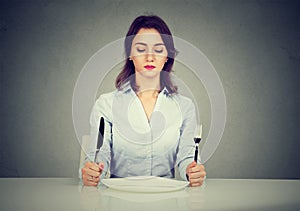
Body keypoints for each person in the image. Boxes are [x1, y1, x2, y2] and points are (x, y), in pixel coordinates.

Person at [81, 15, 206, 187]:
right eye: (140, 49)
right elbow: (99, 154)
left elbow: (187, 155)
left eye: (158, 50)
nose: (150, 57)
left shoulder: (185, 107)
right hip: (118, 196)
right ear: (130, 55)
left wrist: (192, 171)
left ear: (167, 56)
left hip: (167, 196)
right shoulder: (106, 104)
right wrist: (92, 171)